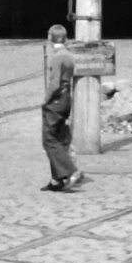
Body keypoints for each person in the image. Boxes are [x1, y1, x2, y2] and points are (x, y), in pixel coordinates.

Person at [41, 24, 84, 192]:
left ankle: (71, 171)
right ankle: (56, 180)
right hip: (66, 99)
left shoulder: (57, 57)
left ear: (53, 37)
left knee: (49, 140)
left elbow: (54, 83)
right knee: (59, 139)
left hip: (56, 100)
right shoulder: (69, 56)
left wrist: (46, 100)